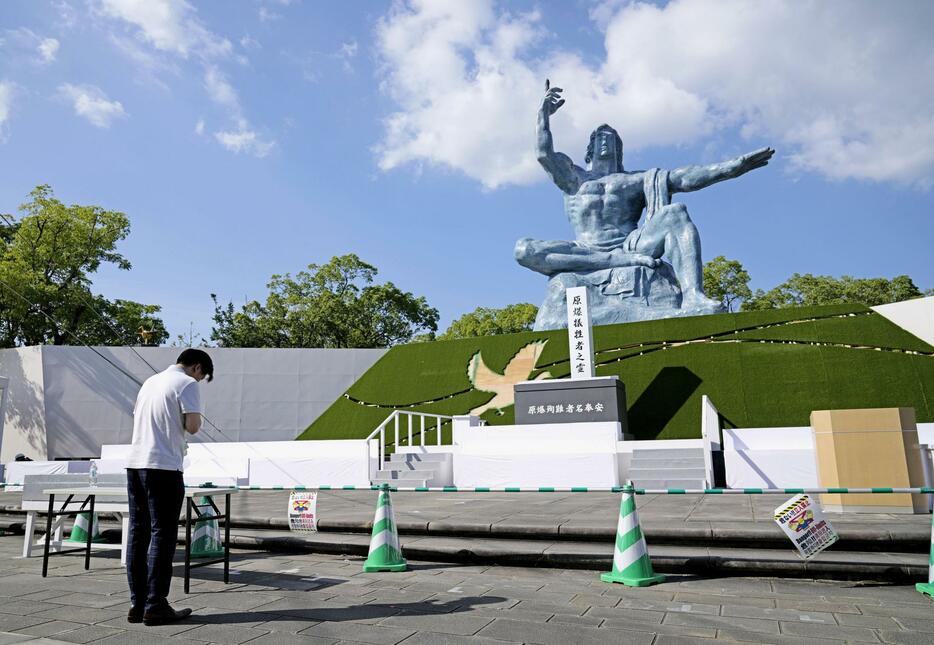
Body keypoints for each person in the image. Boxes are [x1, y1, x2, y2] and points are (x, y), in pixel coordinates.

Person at [515, 80, 774, 311]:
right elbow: (543, 154)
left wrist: (730, 168)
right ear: (589, 149)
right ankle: (608, 261)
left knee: (675, 213)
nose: (605, 141)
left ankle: (693, 296)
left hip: (631, 244)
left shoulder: (635, 180)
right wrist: (543, 116)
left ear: (620, 149)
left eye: (611, 138)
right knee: (524, 249)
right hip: (584, 248)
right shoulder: (574, 177)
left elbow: (684, 177)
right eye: (599, 138)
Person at [124, 348, 213, 626]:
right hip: (163, 466)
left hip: (135, 464)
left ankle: (137, 603)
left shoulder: (150, 382)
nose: (199, 381)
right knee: (162, 533)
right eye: (202, 377)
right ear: (196, 368)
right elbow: (194, 425)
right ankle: (156, 604)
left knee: (138, 533)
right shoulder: (186, 383)